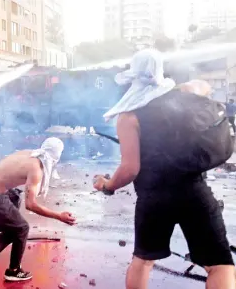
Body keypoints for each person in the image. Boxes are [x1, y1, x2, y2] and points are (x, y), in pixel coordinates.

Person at [93, 49, 235, 289]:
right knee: (219, 265)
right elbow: (202, 85)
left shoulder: (129, 116)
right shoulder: (186, 95)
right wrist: (183, 89)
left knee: (143, 261)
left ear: (133, 77)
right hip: (194, 191)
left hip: (154, 198)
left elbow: (130, 169)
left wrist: (107, 185)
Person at [0, 137, 76, 284]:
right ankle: (14, 271)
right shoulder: (36, 170)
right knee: (22, 228)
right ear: (57, 156)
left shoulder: (29, 153)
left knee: (14, 228)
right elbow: (30, 205)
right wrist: (59, 216)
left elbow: (8, 172)